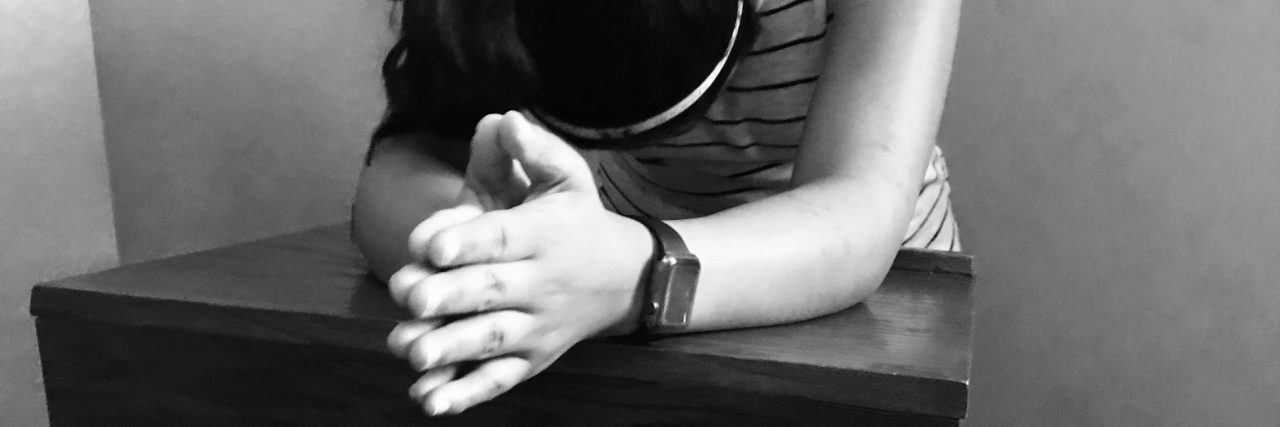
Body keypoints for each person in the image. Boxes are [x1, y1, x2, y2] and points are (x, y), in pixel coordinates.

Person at [352, 0, 962, 416]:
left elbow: (860, 209)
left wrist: (637, 273)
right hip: (606, 278)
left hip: (883, 310)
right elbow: (406, 161)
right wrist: (483, 249)